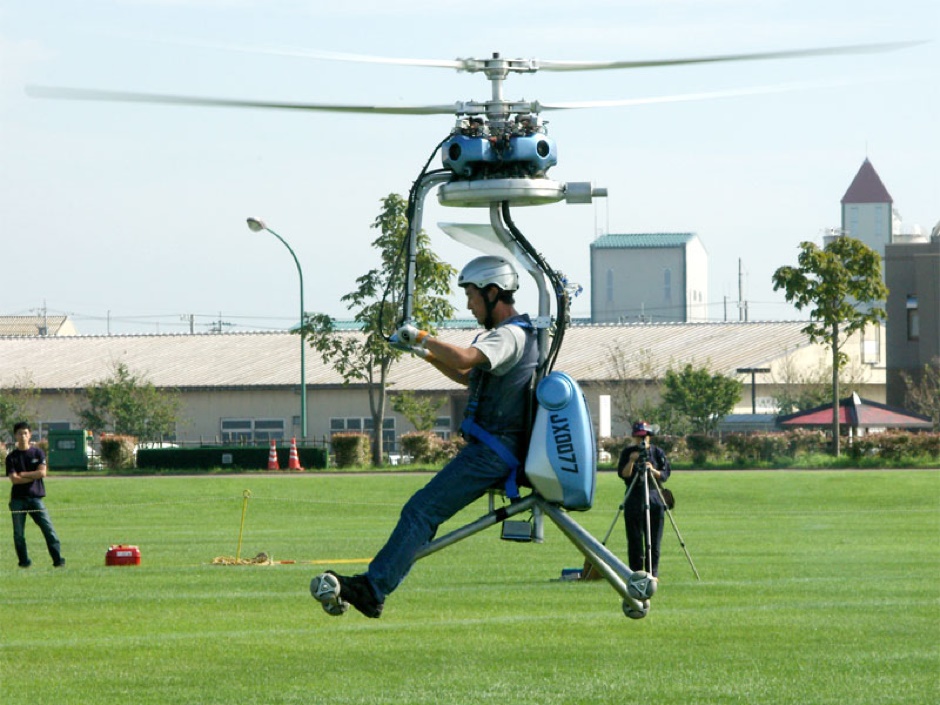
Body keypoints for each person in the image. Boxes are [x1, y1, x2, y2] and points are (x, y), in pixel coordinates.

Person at [312, 255, 538, 618]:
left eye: (471, 295)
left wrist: (421, 334)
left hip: (494, 452)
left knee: (421, 511)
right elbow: (468, 375)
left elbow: (464, 357)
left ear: (492, 292)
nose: (468, 304)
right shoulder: (505, 336)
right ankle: (374, 585)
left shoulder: (510, 334)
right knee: (422, 511)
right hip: (493, 448)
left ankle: (373, 589)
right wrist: (422, 351)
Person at [6, 421, 65, 568]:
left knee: (48, 530)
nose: (23, 436)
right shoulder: (11, 457)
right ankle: (24, 562)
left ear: (30, 434)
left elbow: (42, 473)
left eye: (25, 433)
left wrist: (24, 474)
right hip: (18, 500)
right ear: (15, 435)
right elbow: (14, 480)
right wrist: (33, 475)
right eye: (20, 433)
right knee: (19, 534)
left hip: (35, 498)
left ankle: (58, 561)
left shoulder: (37, 453)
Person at [617, 421, 670, 578]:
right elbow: (623, 474)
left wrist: (652, 470)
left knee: (654, 540)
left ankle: (652, 573)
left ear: (649, 437)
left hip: (654, 497)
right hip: (634, 496)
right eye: (638, 437)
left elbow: (665, 475)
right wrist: (632, 461)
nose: (642, 440)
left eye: (645, 437)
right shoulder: (628, 452)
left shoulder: (657, 452)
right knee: (634, 540)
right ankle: (635, 572)